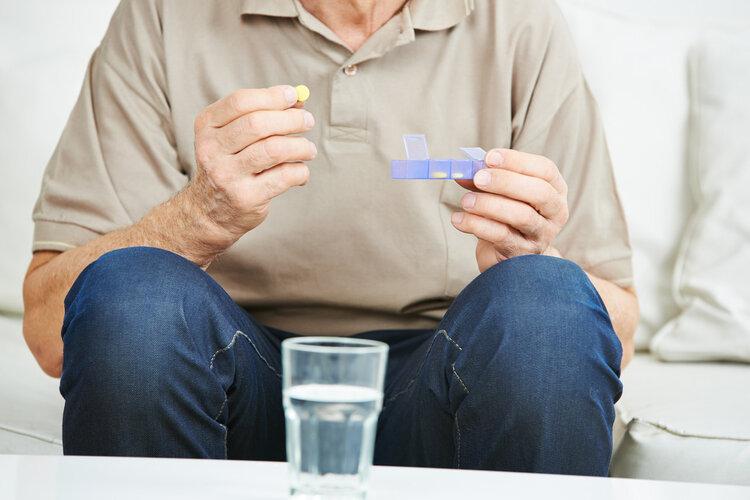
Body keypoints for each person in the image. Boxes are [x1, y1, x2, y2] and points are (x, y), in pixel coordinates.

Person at [23, 0, 638, 475]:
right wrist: (195, 220)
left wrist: (526, 259)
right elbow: (51, 331)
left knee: (547, 304)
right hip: (224, 379)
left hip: (445, 384)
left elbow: (616, 330)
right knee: (133, 295)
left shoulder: (520, 22)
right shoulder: (162, 14)